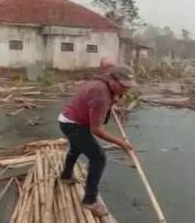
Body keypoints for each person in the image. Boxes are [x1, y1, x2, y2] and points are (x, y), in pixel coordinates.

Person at [58, 65, 136, 216]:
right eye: (123, 86)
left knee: (76, 148)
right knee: (98, 158)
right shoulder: (101, 94)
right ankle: (90, 201)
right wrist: (121, 143)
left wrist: (114, 98)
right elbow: (96, 129)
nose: (126, 90)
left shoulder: (103, 82)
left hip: (69, 119)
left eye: (129, 87)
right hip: (73, 124)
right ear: (113, 80)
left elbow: (107, 64)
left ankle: (66, 177)